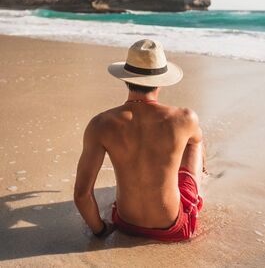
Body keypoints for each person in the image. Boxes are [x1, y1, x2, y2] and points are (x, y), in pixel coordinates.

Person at [74, 39, 206, 242]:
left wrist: (100, 231)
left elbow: (82, 195)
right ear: (161, 80)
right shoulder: (184, 118)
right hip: (175, 228)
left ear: (125, 78)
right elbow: (196, 139)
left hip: (125, 223)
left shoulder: (100, 124)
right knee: (195, 140)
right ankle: (201, 174)